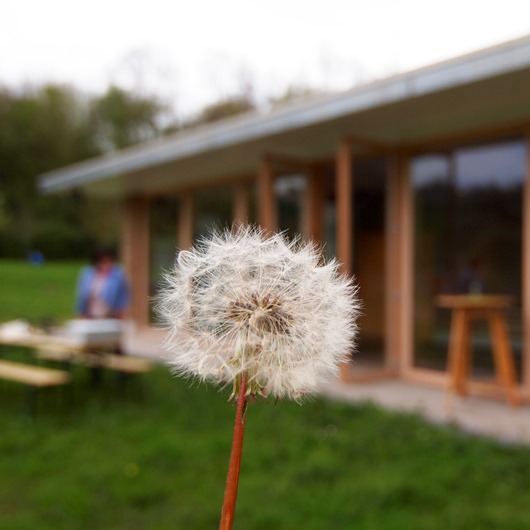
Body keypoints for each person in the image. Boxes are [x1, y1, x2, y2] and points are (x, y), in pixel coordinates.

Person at [76, 247, 131, 319]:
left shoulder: (118, 273)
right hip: (90, 314)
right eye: (102, 261)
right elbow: (82, 295)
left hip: (111, 314)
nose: (106, 264)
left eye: (109, 261)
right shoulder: (87, 273)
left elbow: (124, 294)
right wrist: (81, 312)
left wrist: (122, 311)